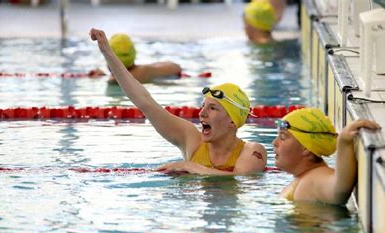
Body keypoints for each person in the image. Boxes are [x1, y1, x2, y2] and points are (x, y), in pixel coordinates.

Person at [90, 28, 267, 175]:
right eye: (203, 106)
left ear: (232, 121)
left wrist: (191, 166)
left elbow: (240, 177)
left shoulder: (253, 151)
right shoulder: (192, 140)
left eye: (212, 108)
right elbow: (146, 103)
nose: (202, 113)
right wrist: (107, 52)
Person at [273, 107, 381, 205]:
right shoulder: (302, 178)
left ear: (306, 148)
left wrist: (343, 143)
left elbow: (339, 191)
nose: (275, 142)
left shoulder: (313, 179)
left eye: (283, 137)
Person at [89, 33, 182, 84]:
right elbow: (176, 67)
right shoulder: (145, 70)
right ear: (133, 54)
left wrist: (102, 77)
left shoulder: (114, 80)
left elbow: (117, 78)